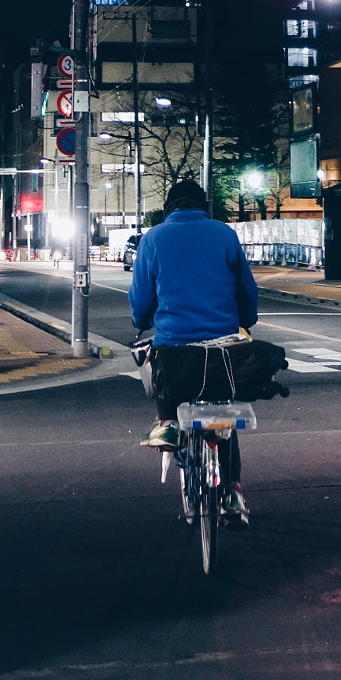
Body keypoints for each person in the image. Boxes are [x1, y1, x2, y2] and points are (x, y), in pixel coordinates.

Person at [129, 175, 260, 525]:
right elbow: (247, 290)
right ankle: (232, 490)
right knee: (224, 418)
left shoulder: (153, 239)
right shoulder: (224, 234)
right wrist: (246, 319)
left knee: (157, 365)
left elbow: (141, 302)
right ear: (202, 206)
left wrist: (141, 319)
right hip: (224, 353)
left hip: (175, 353)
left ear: (170, 208)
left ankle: (168, 422)